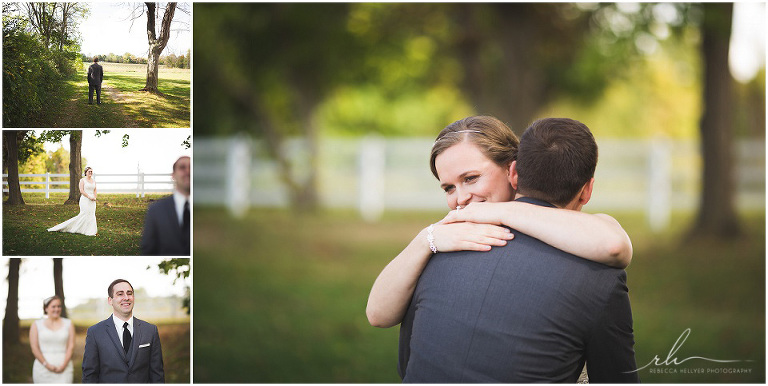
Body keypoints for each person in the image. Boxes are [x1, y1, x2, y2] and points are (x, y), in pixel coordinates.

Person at [398, 117, 638, 382]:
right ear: (587, 191)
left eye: (471, 178)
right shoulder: (596, 276)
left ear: (512, 173)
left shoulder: (442, 253)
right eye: (449, 187)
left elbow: (409, 364)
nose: (463, 199)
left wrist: (491, 211)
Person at [82, 279, 165, 383]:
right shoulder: (95, 332)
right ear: (110, 300)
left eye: (129, 293)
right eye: (120, 294)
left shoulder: (150, 330)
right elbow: (90, 376)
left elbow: (157, 374)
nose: (126, 298)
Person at [141, 156, 190, 255]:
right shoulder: (155, 210)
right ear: (173, 175)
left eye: (191, 168)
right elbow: (148, 250)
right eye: (182, 168)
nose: (188, 172)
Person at [29, 296, 75, 383]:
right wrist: (46, 365)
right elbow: (34, 348)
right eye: (53, 306)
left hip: (64, 369)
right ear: (46, 308)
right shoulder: (36, 324)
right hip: (42, 369)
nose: (56, 309)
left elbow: (71, 346)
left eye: (59, 306)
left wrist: (63, 365)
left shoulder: (68, 323)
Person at [48, 167, 98, 236]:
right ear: (86, 173)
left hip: (92, 201)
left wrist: (94, 197)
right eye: (89, 171)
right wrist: (89, 197)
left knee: (91, 215)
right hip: (85, 199)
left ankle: (89, 230)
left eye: (91, 172)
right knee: (84, 214)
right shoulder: (82, 180)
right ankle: (74, 228)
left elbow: (95, 190)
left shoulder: (93, 181)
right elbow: (81, 191)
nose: (90, 173)